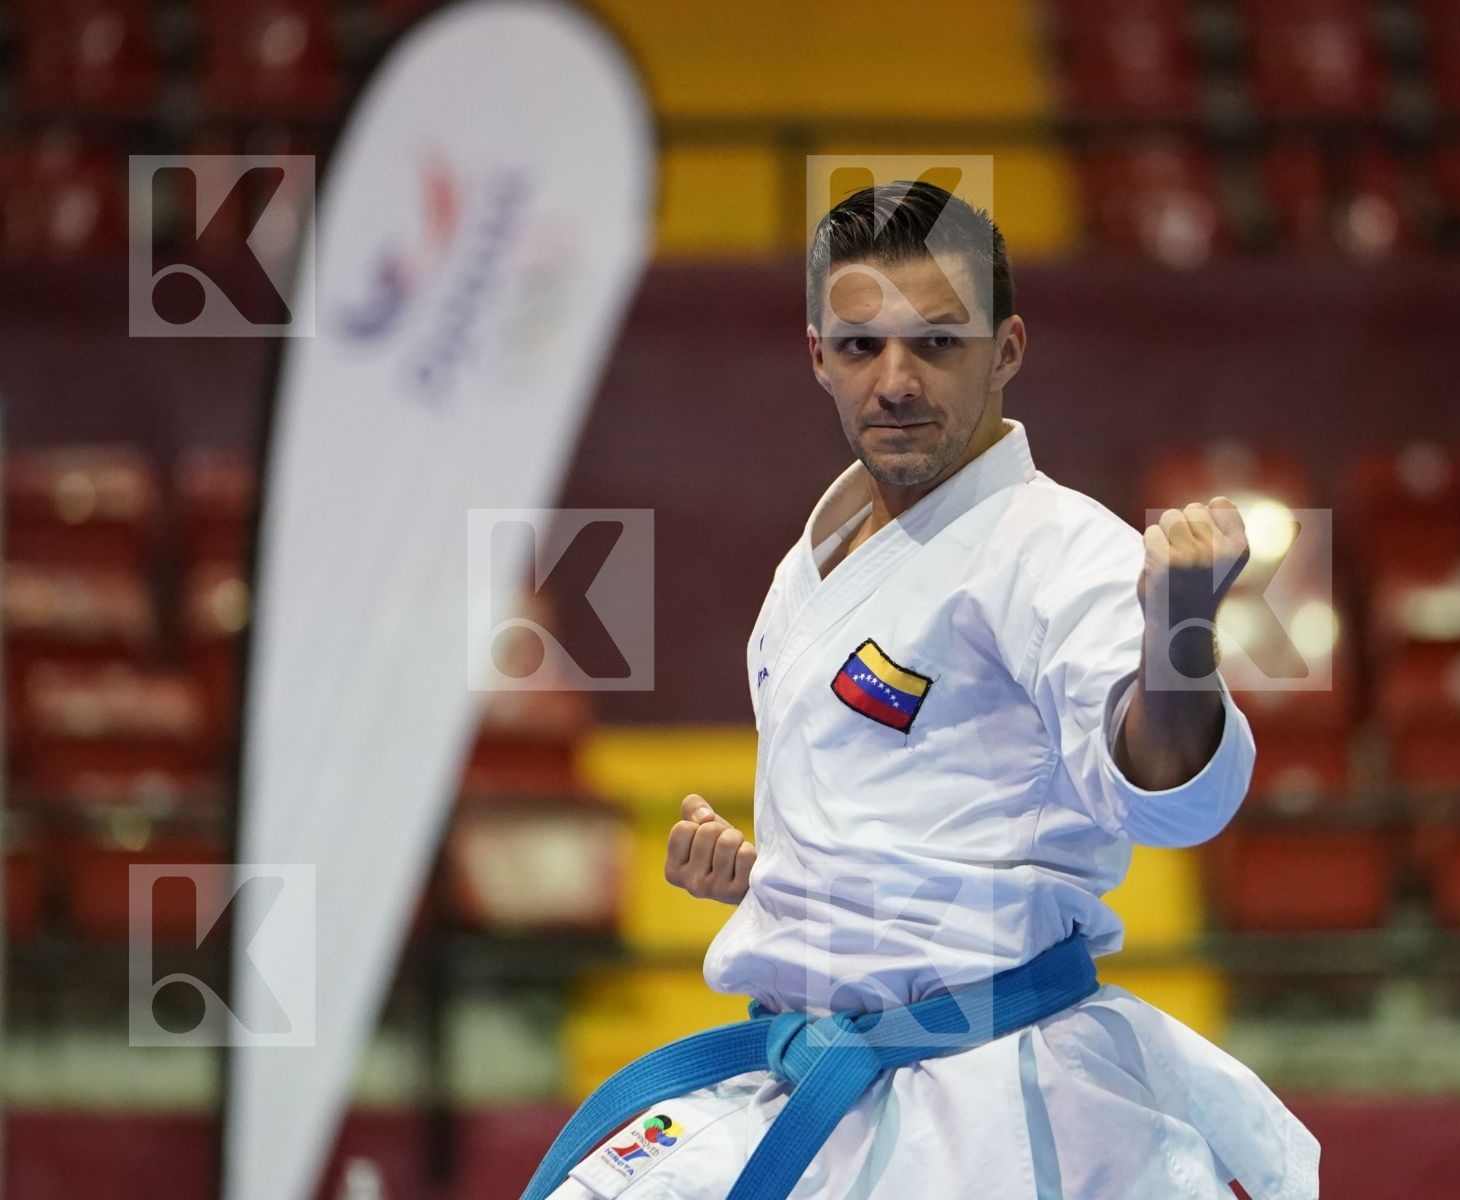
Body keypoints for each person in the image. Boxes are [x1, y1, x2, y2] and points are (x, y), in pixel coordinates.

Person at [529, 180, 1320, 1200]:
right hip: (816, 1062)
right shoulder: (819, 550)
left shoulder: (1059, 553)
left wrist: (1181, 633)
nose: (896, 381)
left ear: (1008, 350)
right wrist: (777, 880)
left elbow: (1168, 796)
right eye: (863, 347)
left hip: (985, 1086)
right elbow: (921, 815)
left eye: (938, 343)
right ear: (818, 353)